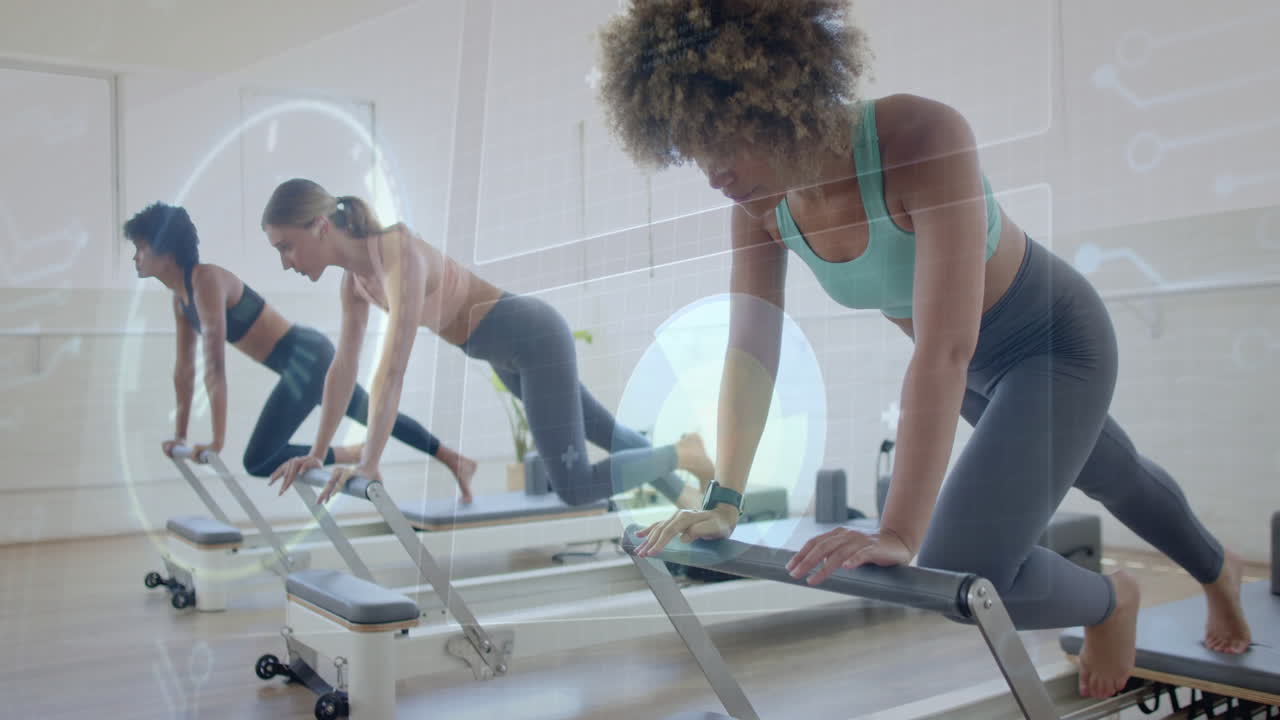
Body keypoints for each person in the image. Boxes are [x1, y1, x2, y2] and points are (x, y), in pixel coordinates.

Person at [596, 0, 1251, 699]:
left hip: (1055, 345)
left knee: (958, 566)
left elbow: (943, 348)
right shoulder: (760, 208)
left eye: (722, 141)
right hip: (976, 371)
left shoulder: (918, 137)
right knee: (1114, 473)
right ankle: (1214, 569)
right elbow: (752, 348)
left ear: (778, 95)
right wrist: (723, 497)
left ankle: (1116, 597)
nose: (712, 173)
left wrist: (900, 530)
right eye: (692, 147)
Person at [259, 179, 715, 510]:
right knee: (607, 433)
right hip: (506, 353)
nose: (285, 263)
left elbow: (392, 368)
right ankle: (693, 499)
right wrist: (318, 452)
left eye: (286, 247)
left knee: (574, 487)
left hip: (531, 337)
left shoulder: (397, 252)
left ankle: (684, 453)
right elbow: (343, 370)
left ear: (320, 226)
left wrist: (370, 462)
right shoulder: (355, 284)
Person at [124, 202, 477, 502]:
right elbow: (183, 372)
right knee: (370, 411)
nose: (136, 257)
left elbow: (214, 365)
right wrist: (181, 435)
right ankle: (453, 458)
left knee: (259, 459)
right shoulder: (180, 301)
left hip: (304, 358)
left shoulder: (206, 281)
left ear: (165, 250)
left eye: (141, 248)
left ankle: (356, 453)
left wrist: (216, 441)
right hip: (303, 360)